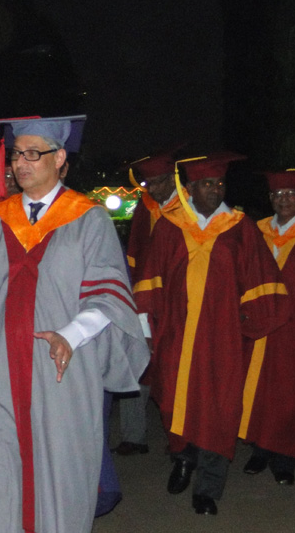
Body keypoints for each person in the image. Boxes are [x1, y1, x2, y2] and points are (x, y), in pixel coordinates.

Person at [0, 115, 150, 533]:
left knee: (60, 475)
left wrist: (71, 335)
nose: (20, 164)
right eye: (15, 154)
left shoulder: (88, 219)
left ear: (59, 158)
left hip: (60, 372)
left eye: (32, 154)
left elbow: (109, 295)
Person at [133, 152, 290, 515]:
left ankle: (208, 487)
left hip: (223, 339)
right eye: (207, 184)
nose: (215, 190)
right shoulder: (170, 227)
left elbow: (261, 280)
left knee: (219, 407)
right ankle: (183, 457)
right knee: (175, 400)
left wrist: (248, 324)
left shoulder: (240, 228)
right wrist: (145, 331)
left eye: (219, 184)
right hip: (176, 334)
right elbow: (150, 280)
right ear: (189, 189)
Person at [239, 170, 295, 484]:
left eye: (291, 194)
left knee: (292, 393)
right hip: (261, 324)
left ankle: (285, 456)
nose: (284, 200)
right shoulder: (257, 230)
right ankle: (260, 449)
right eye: (278, 195)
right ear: (270, 199)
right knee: (259, 388)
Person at [113, 151, 186, 456]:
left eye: (159, 182)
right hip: (145, 296)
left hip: (180, 300)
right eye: (149, 183)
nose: (153, 189)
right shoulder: (145, 207)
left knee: (177, 370)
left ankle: (181, 438)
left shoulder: (190, 207)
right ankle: (134, 435)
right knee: (137, 363)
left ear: (173, 179)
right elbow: (136, 254)